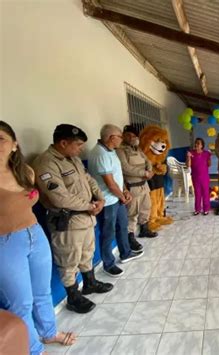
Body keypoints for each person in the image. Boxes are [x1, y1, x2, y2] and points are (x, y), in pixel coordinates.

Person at [0, 121, 76, 355]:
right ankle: (33, 349)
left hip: (35, 235)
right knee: (20, 303)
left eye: (0, 139)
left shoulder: (26, 172)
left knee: (42, 292)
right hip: (6, 244)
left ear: (14, 144)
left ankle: (48, 332)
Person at [33, 124, 113, 314]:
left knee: (87, 253)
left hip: (86, 217)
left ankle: (89, 283)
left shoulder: (74, 160)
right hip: (67, 221)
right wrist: (89, 206)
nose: (81, 149)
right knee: (69, 259)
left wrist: (100, 198)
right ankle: (73, 296)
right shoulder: (46, 163)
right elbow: (58, 197)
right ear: (63, 143)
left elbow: (90, 180)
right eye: (78, 145)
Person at [88, 124, 144, 278]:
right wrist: (122, 196)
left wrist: (125, 191)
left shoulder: (111, 151)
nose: (122, 139)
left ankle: (125, 253)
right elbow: (110, 183)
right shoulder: (100, 154)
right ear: (112, 138)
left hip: (117, 197)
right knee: (108, 232)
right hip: (107, 201)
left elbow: (118, 177)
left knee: (122, 225)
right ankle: (108, 264)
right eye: (120, 136)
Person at [116, 124, 156, 247]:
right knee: (132, 213)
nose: (132, 138)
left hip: (144, 185)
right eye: (129, 135)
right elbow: (125, 168)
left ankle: (144, 229)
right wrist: (144, 173)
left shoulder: (137, 149)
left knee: (146, 207)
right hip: (132, 186)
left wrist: (149, 170)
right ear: (124, 136)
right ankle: (130, 236)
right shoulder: (120, 150)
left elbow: (147, 161)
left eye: (134, 135)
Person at [186, 137, 211, 215]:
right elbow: (188, 165)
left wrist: (209, 157)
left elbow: (209, 164)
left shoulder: (206, 153)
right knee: (197, 193)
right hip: (195, 177)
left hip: (205, 177)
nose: (196, 144)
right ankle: (197, 209)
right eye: (196, 143)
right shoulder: (191, 153)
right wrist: (188, 157)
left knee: (205, 193)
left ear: (202, 145)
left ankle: (206, 209)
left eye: (198, 143)